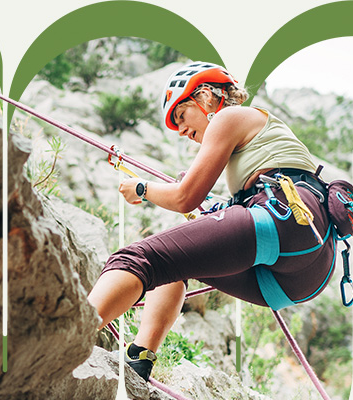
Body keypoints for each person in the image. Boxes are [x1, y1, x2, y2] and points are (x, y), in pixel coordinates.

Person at [88, 61, 336, 381]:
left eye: (182, 116)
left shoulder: (229, 116)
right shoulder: (257, 142)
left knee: (137, 259)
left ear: (206, 97)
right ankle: (138, 360)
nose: (183, 132)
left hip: (283, 223)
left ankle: (69, 334)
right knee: (174, 264)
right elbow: (197, 201)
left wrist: (142, 188)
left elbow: (183, 198)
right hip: (300, 275)